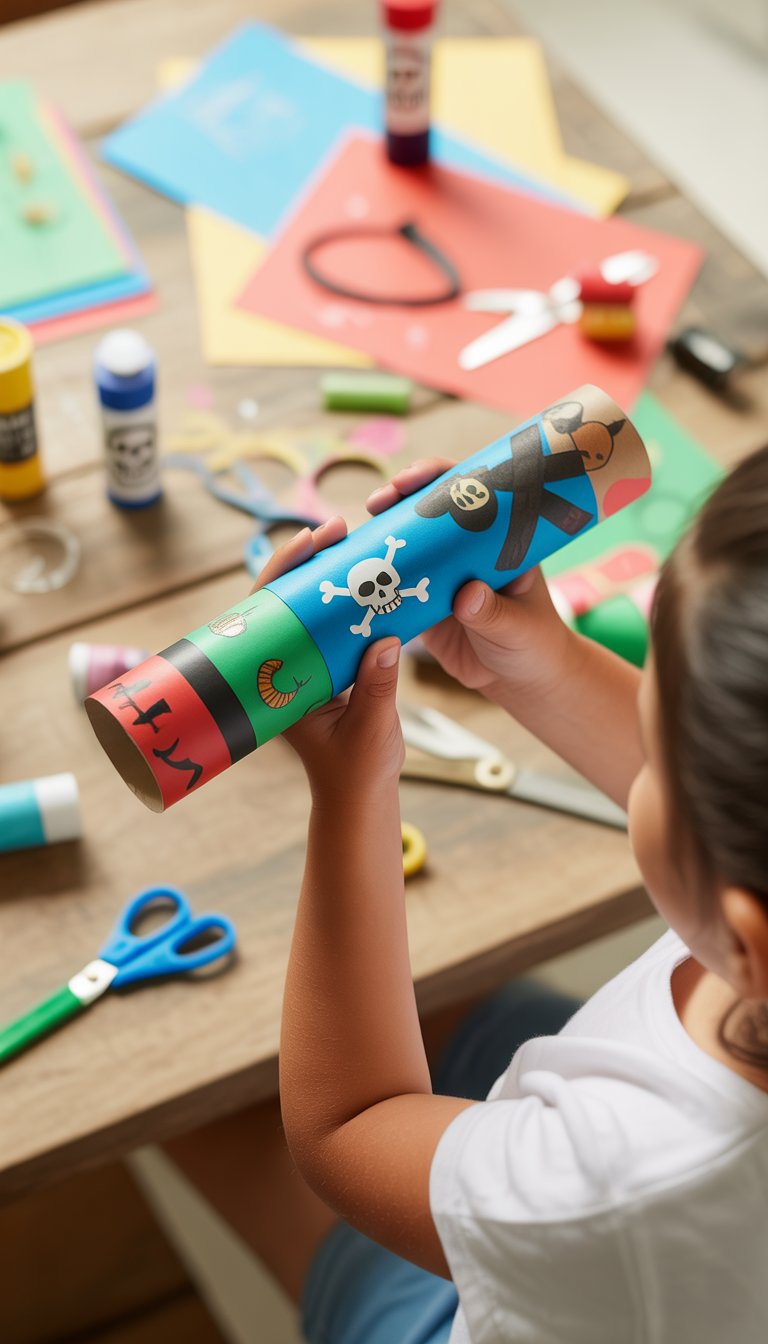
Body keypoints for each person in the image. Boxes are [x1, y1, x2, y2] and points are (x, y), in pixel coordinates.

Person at [166, 446, 768, 1343]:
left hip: (527, 1269)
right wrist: (545, 665)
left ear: (744, 936)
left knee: (188, 1083)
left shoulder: (616, 1186)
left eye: (661, 745)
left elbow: (351, 1126)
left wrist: (351, 788)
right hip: (607, 1199)